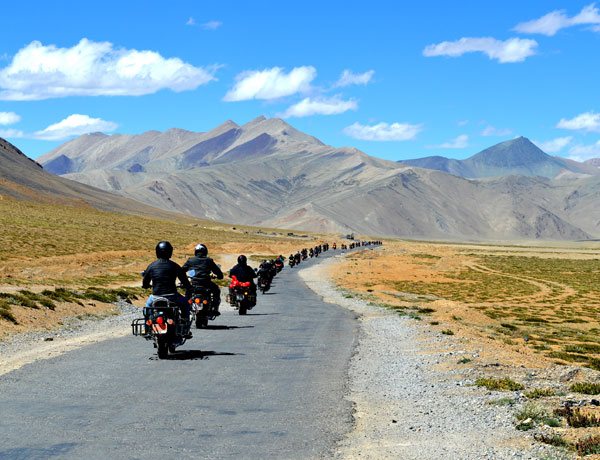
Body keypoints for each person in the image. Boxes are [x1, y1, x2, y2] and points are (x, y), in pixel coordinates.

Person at [142, 241, 192, 336]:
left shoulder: (152, 266)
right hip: (172, 297)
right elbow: (184, 280)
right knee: (185, 305)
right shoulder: (174, 265)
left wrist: (145, 286)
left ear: (157, 252)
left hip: (155, 297)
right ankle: (185, 328)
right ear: (170, 252)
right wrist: (188, 287)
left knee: (147, 310)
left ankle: (146, 329)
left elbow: (145, 281)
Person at [182, 243, 224, 315]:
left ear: (195, 251)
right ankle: (214, 308)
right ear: (205, 251)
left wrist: (184, 280)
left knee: (188, 293)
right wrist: (219, 276)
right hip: (206, 283)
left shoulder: (190, 260)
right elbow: (218, 272)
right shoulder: (209, 260)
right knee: (216, 290)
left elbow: (181, 271)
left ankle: (185, 309)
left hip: (194, 283)